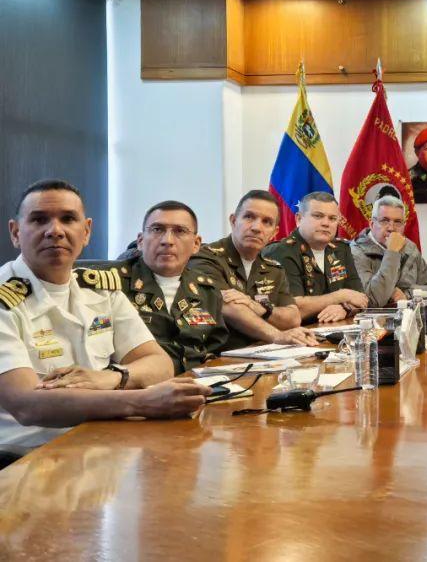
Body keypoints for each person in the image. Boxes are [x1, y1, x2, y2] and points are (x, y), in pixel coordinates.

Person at [0, 180, 205, 464]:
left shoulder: (100, 289)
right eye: (39, 219)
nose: (55, 230)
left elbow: (159, 363)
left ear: (86, 232)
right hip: (26, 459)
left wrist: (112, 377)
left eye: (68, 219)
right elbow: (27, 405)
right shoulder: (4, 299)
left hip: (101, 444)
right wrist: (142, 401)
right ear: (15, 232)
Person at [79, 201, 235, 374]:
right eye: (157, 229)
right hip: (134, 385)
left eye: (180, 231)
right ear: (140, 241)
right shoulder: (107, 285)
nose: (167, 240)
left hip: (196, 383)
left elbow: (214, 349)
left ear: (196, 244)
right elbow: (94, 351)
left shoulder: (207, 289)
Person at [191, 190, 318, 350]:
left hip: (263, 353)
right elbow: (231, 308)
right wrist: (278, 336)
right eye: (249, 217)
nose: (257, 227)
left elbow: (293, 318)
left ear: (274, 233)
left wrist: (257, 307)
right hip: (218, 357)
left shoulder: (273, 269)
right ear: (233, 221)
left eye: (267, 222)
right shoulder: (206, 259)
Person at [262, 192, 368, 324]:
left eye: (332, 218)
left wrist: (344, 308)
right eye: (318, 216)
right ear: (299, 219)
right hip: (296, 332)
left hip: (334, 328)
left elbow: (360, 297)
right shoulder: (281, 252)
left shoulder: (341, 249)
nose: (326, 223)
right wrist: (340, 296)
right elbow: (293, 309)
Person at [351, 195, 427, 307]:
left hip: (408, 315)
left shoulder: (410, 248)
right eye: (384, 221)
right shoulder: (356, 251)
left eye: (397, 222)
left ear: (404, 226)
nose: (391, 228)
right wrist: (392, 252)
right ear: (372, 224)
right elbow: (372, 300)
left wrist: (407, 293)